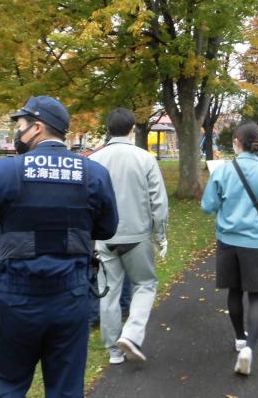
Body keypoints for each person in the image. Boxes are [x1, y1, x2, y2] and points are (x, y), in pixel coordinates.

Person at [0, 96, 118, 397]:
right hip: (71, 296)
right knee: (66, 389)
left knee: (7, 386)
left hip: (16, 296)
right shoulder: (94, 174)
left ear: (38, 128)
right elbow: (107, 228)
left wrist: (1, 226)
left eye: (20, 126)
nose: (17, 134)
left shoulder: (1, 173)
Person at [201, 120, 258, 376]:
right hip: (256, 243)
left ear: (236, 143)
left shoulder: (223, 171)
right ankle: (249, 348)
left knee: (234, 290)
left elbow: (208, 206)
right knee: (257, 295)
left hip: (228, 241)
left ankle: (240, 337)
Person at [91, 107, 169, 365]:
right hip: (137, 234)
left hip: (104, 237)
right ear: (132, 128)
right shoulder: (144, 158)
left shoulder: (94, 160)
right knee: (145, 284)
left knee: (109, 292)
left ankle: (114, 351)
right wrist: (161, 235)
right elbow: (158, 202)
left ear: (107, 129)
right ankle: (132, 334)